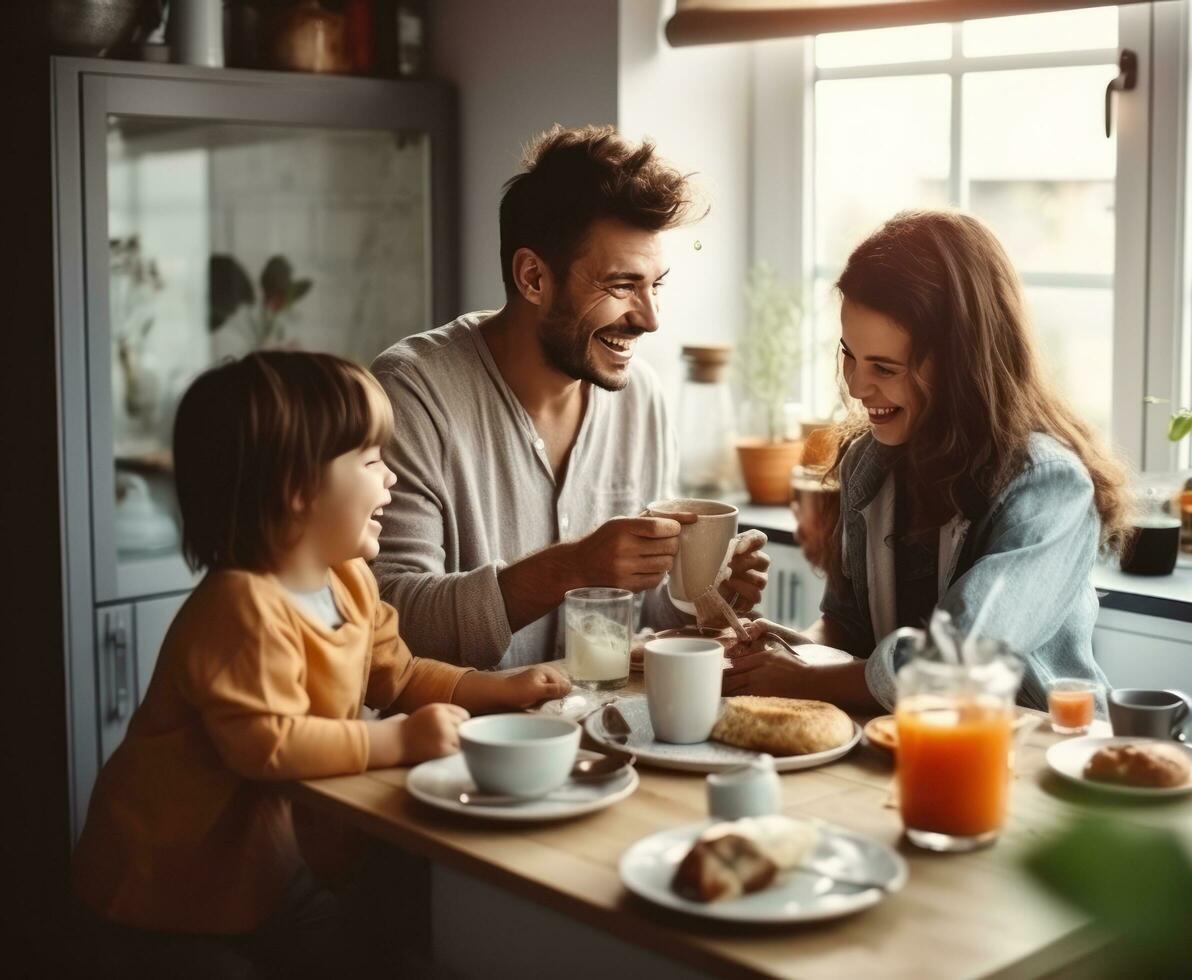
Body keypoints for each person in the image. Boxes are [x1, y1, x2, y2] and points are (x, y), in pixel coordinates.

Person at [72, 351, 568, 978]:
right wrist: (394, 739)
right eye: (371, 461)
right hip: (162, 889)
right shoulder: (240, 606)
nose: (391, 480)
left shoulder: (350, 582)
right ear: (296, 489)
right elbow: (267, 745)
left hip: (260, 873)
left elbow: (402, 674)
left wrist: (499, 690)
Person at [372, 124, 769, 668]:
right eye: (622, 286)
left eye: (657, 285)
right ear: (534, 277)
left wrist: (707, 594)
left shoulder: (641, 397)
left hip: (601, 737)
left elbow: (646, 614)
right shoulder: (412, 393)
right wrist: (571, 567)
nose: (650, 319)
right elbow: (388, 622)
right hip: (457, 745)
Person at [727, 210, 1128, 712]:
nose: (855, 385)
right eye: (849, 354)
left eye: (885, 367)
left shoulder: (1048, 486)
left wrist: (807, 680)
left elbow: (962, 665)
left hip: (1034, 750)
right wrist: (791, 650)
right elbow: (849, 627)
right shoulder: (867, 467)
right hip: (909, 742)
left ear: (961, 365)